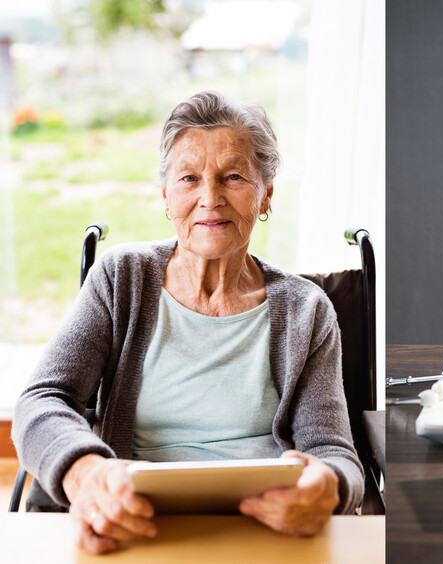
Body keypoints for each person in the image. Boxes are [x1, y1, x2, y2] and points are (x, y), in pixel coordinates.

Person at [12, 91, 364, 554]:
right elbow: (41, 400)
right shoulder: (122, 277)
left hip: (264, 532)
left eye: (233, 176)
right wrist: (86, 470)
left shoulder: (307, 309)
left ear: (266, 194)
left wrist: (329, 486)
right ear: (166, 196)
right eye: (189, 178)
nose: (210, 198)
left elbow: (335, 452)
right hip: (134, 524)